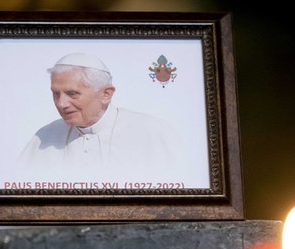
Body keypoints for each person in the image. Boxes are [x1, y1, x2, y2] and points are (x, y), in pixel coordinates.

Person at [15, 52, 182, 184]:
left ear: (105, 94)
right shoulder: (44, 138)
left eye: (72, 94)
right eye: (56, 94)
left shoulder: (152, 132)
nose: (61, 103)